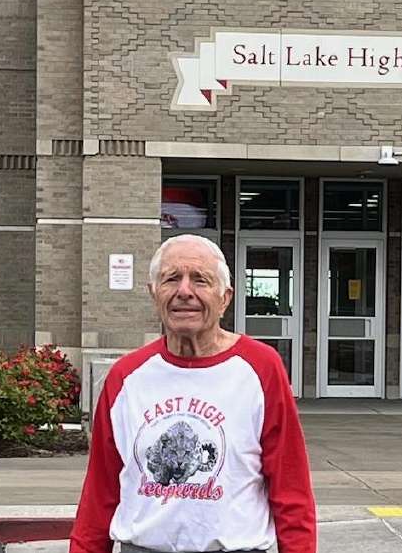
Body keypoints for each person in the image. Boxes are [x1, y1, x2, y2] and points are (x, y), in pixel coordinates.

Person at [71, 234, 317, 553]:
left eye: (200, 280)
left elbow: (291, 489)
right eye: (171, 278)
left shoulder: (261, 368)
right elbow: (99, 494)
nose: (184, 291)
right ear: (153, 293)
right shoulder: (126, 377)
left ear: (225, 297)